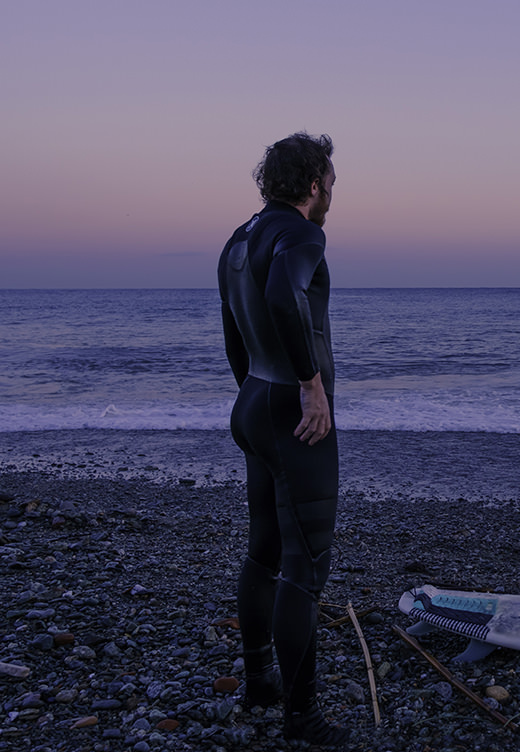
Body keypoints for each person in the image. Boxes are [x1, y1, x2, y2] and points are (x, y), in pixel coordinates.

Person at [217, 132, 348, 747]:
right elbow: (281, 296)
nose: (335, 191)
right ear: (315, 184)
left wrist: (258, 394)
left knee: (264, 550)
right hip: (292, 412)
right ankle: (303, 720)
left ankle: (260, 684)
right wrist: (310, 386)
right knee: (305, 567)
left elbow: (235, 334)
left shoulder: (238, 240)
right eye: (332, 179)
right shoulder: (300, 233)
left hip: (253, 403)